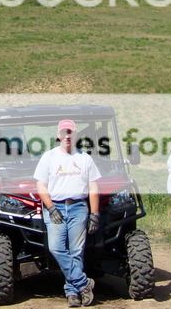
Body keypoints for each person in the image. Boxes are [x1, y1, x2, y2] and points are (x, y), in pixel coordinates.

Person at [35, 119, 101, 308]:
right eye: (64, 133)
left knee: (76, 252)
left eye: (71, 132)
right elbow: (40, 184)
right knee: (56, 248)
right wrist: (50, 207)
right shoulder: (49, 157)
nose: (67, 136)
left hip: (78, 207)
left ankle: (72, 293)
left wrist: (95, 214)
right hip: (55, 206)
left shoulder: (85, 159)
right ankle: (83, 283)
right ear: (58, 135)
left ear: (76, 135)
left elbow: (93, 186)